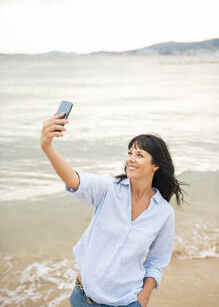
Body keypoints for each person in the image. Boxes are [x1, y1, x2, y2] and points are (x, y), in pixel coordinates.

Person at [40, 112, 186, 307]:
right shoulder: (109, 188)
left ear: (156, 165)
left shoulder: (163, 213)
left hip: (126, 302)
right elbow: (74, 180)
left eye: (139, 155)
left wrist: (143, 299)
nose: (130, 159)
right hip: (84, 299)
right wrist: (47, 147)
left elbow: (157, 261)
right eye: (130, 153)